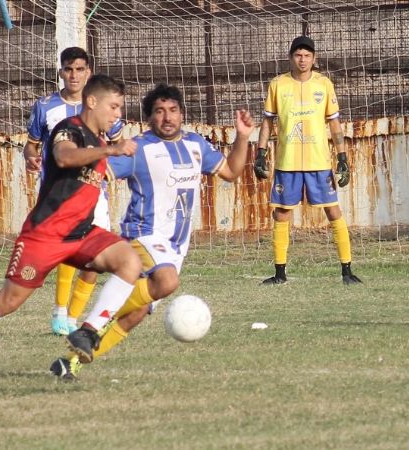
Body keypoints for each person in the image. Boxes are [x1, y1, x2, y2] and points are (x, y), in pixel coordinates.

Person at [0, 74, 140, 395]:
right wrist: (111, 150)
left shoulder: (100, 140)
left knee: (129, 262)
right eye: (114, 106)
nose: (118, 114)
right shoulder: (70, 128)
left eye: (120, 108)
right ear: (92, 101)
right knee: (8, 301)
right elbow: (64, 156)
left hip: (81, 234)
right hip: (44, 236)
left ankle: (88, 332)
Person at [50, 83, 255, 380]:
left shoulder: (196, 145)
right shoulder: (138, 149)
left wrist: (243, 137)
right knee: (167, 281)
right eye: (159, 111)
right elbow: (97, 173)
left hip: (176, 247)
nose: (167, 117)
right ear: (148, 118)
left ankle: (69, 363)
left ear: (182, 114)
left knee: (135, 314)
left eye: (173, 110)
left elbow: (232, 172)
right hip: (142, 233)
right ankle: (89, 328)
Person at [24, 47, 122, 336]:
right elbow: (31, 145)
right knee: (67, 250)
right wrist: (30, 157)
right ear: (60, 72)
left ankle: (72, 318)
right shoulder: (45, 107)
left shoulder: (101, 105)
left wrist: (115, 162)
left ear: (88, 72)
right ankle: (60, 311)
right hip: (59, 193)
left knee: (95, 258)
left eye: (79, 69)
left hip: (95, 191)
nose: (74, 75)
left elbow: (117, 143)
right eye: (68, 69)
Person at [253, 35, 362, 286]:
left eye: (307, 56)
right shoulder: (278, 85)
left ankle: (347, 271)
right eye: (298, 55)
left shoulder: (324, 84)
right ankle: (280, 274)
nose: (302, 60)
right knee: (281, 214)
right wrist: (261, 152)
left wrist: (342, 157)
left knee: (333, 210)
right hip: (287, 162)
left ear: (314, 59)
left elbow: (334, 124)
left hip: (318, 162)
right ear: (290, 58)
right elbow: (268, 121)